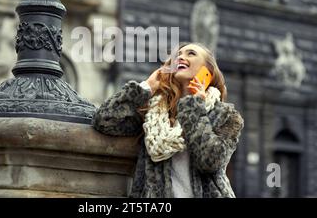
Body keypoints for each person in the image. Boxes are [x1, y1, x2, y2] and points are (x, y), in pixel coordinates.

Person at [92, 42, 244, 198]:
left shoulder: (226, 116)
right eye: (177, 55)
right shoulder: (153, 114)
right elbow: (105, 120)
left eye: (190, 54)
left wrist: (193, 108)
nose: (181, 57)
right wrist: (145, 88)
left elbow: (210, 161)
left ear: (208, 71)